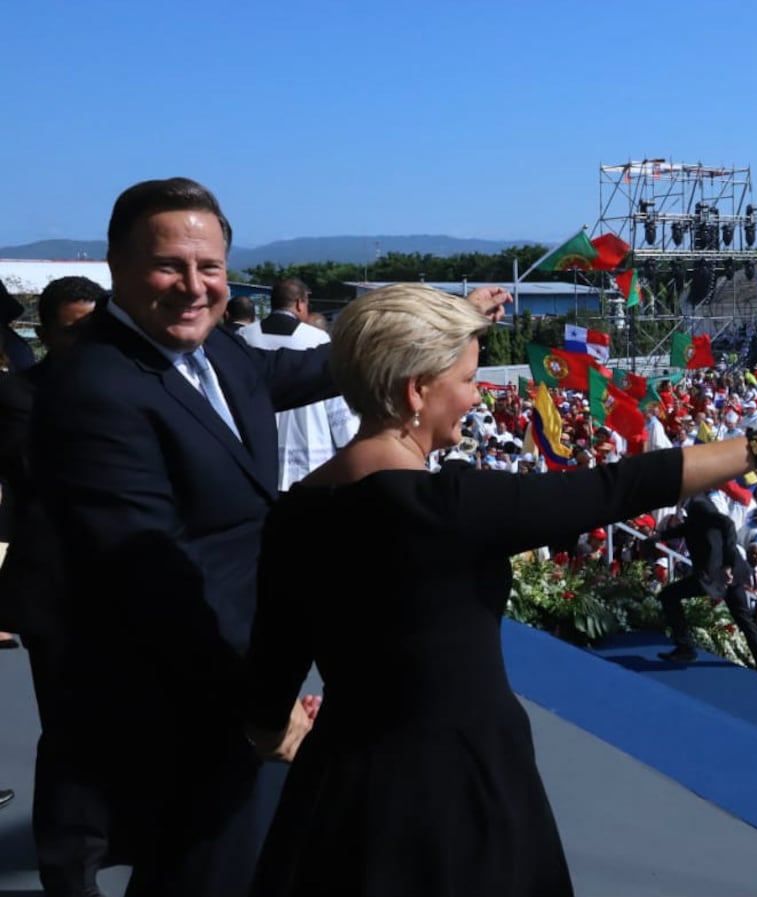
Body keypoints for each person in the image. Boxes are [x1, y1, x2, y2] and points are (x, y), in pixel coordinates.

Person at [241, 283, 757, 895]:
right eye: (469, 380)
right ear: (415, 391)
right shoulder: (453, 508)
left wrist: (286, 735)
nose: (477, 398)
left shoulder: (291, 516)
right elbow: (621, 486)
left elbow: (267, 696)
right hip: (466, 792)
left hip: (337, 801)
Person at [32, 178, 517, 896]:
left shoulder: (213, 354)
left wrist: (446, 318)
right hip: (184, 691)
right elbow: (150, 576)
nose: (194, 287)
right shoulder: (97, 390)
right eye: (171, 265)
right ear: (117, 265)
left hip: (234, 673)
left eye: (211, 268)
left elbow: (322, 366)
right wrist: (266, 701)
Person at [0, 275, 107, 896]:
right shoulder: (21, 400)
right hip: (59, 592)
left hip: (129, 591)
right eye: (74, 330)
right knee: (70, 738)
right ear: (44, 335)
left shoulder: (132, 390)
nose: (89, 341)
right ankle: (70, 871)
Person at [239, 278, 359, 490]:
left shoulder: (244, 336)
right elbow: (334, 399)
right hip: (310, 451)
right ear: (299, 304)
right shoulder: (317, 339)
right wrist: (348, 441)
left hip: (258, 449)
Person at [657, 494, 757, 676]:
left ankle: (685, 648)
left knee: (668, 595)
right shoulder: (697, 505)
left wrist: (727, 565)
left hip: (717, 574)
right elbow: (690, 528)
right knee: (744, 620)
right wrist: (661, 535)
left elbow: (728, 524)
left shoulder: (698, 503)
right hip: (725, 573)